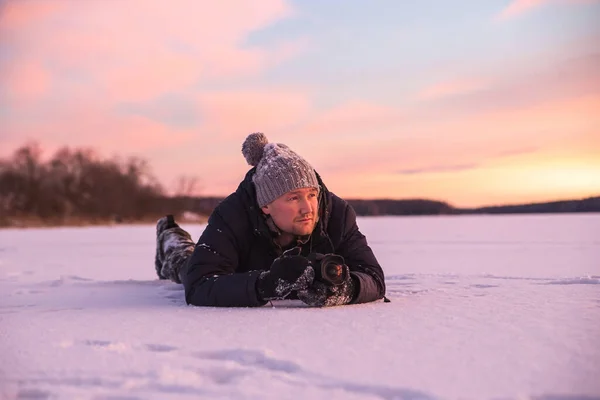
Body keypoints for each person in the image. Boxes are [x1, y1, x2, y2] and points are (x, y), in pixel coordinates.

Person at [154, 132, 387, 307]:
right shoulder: (232, 215)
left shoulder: (337, 214)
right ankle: (171, 240)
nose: (308, 208)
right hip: (242, 270)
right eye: (293, 198)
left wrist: (346, 288)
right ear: (265, 204)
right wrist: (264, 285)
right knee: (186, 262)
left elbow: (374, 278)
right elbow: (199, 284)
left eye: (312, 195)